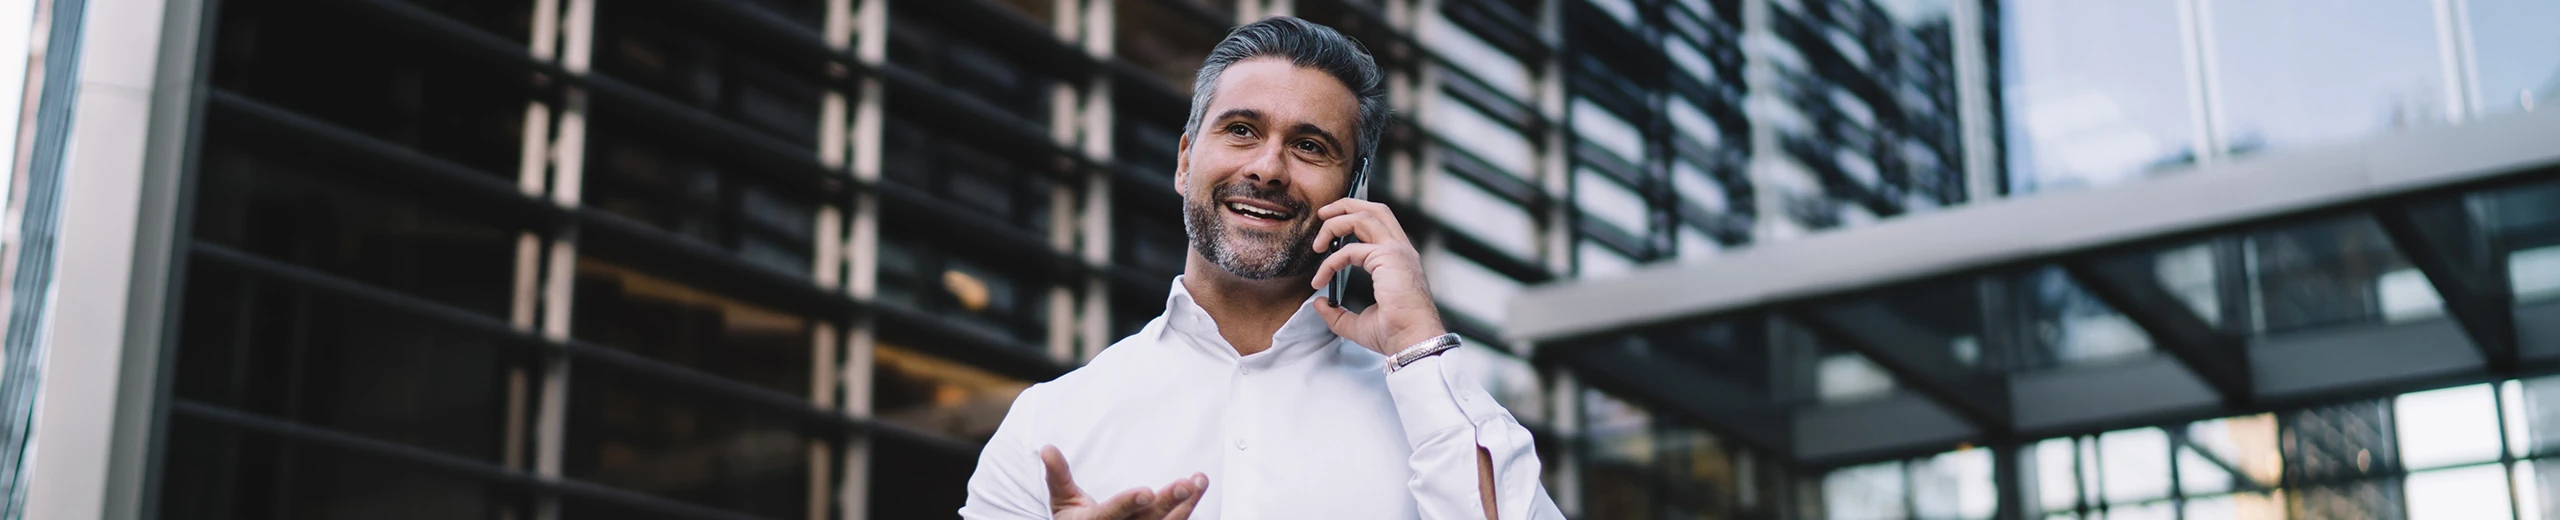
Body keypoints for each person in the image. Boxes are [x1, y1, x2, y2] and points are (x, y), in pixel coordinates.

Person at [958, 16, 1564, 520]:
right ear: (1185, 161)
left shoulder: (1434, 406)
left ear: (1352, 190)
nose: (1268, 168)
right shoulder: (1048, 424)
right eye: (1241, 130)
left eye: (1309, 145)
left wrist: (1421, 346)